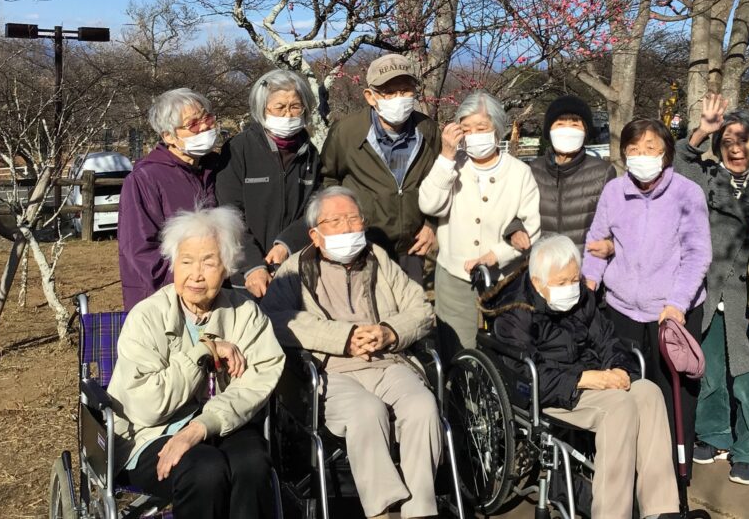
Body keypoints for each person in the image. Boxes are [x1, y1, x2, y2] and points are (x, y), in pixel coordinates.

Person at [262, 187, 440, 519]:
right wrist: (344, 337)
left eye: (353, 218)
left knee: (423, 406)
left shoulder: (378, 259)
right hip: (330, 371)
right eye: (336, 221)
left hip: (388, 361)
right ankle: (381, 510)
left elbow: (421, 309)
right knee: (366, 411)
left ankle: (420, 511)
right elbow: (275, 318)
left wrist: (389, 331)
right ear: (315, 234)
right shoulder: (293, 269)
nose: (347, 228)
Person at [108, 206, 285, 518]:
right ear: (174, 264)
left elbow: (256, 382)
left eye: (209, 262)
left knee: (253, 466)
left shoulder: (246, 314)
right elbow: (145, 407)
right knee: (206, 470)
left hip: (223, 424)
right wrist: (203, 351)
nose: (196, 274)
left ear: (228, 267)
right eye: (186, 261)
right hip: (149, 434)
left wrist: (201, 427)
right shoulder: (146, 317)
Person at [487, 235, 681, 519]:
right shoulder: (515, 313)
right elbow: (525, 377)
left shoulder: (582, 297)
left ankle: (661, 509)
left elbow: (608, 340)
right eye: (562, 282)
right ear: (539, 284)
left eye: (574, 279)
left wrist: (618, 369)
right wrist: (584, 378)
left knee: (649, 393)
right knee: (620, 408)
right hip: (551, 391)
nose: (571, 288)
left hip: (595, 380)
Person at [582, 118, 711, 479]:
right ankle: (631, 467)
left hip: (672, 312)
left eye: (651, 148)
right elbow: (596, 243)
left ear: (666, 153)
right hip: (622, 308)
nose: (642, 156)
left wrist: (678, 303)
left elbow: (697, 254)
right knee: (627, 391)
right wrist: (588, 283)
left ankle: (672, 473)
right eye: (634, 149)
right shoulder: (614, 192)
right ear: (624, 154)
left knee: (673, 399)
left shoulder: (686, 193)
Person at [673, 94, 749, 486]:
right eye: (727, 140)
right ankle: (714, 436)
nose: (735, 147)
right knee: (709, 372)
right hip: (709, 293)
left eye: (743, 139)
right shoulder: (709, 178)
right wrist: (701, 131)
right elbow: (681, 164)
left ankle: (748, 451)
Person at [419, 90, 541, 357]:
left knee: (505, 349)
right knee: (457, 350)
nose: (474, 134)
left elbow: (531, 228)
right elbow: (429, 204)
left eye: (481, 127)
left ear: (497, 129)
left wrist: (497, 254)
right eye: (467, 128)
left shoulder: (519, 172)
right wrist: (446, 157)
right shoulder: (453, 165)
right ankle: (456, 397)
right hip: (454, 274)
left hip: (504, 278)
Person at [320, 53, 440, 284]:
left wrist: (430, 224)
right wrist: (339, 226)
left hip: (412, 246)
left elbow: (438, 180)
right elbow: (328, 180)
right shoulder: (346, 132)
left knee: (410, 314)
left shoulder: (428, 129)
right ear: (370, 96)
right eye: (389, 92)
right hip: (363, 244)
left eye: (405, 90)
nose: (399, 98)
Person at [216, 69, 321, 298]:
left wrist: (287, 244)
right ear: (262, 109)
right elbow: (230, 215)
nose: (288, 114)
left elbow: (314, 209)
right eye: (279, 107)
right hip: (246, 278)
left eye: (295, 106)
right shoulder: (238, 149)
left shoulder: (310, 154)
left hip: (295, 269)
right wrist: (252, 265)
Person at [119, 88, 219, 311]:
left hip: (214, 293)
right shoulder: (145, 179)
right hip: (165, 299)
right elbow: (140, 250)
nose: (204, 127)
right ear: (168, 136)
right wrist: (189, 286)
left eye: (207, 119)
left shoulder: (214, 167)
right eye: (193, 124)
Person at [530, 95, 616, 251]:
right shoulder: (533, 170)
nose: (567, 130)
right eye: (560, 124)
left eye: (575, 125)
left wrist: (610, 246)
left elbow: (614, 222)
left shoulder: (603, 172)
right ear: (549, 131)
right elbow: (514, 211)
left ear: (586, 132)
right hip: (541, 265)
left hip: (585, 266)